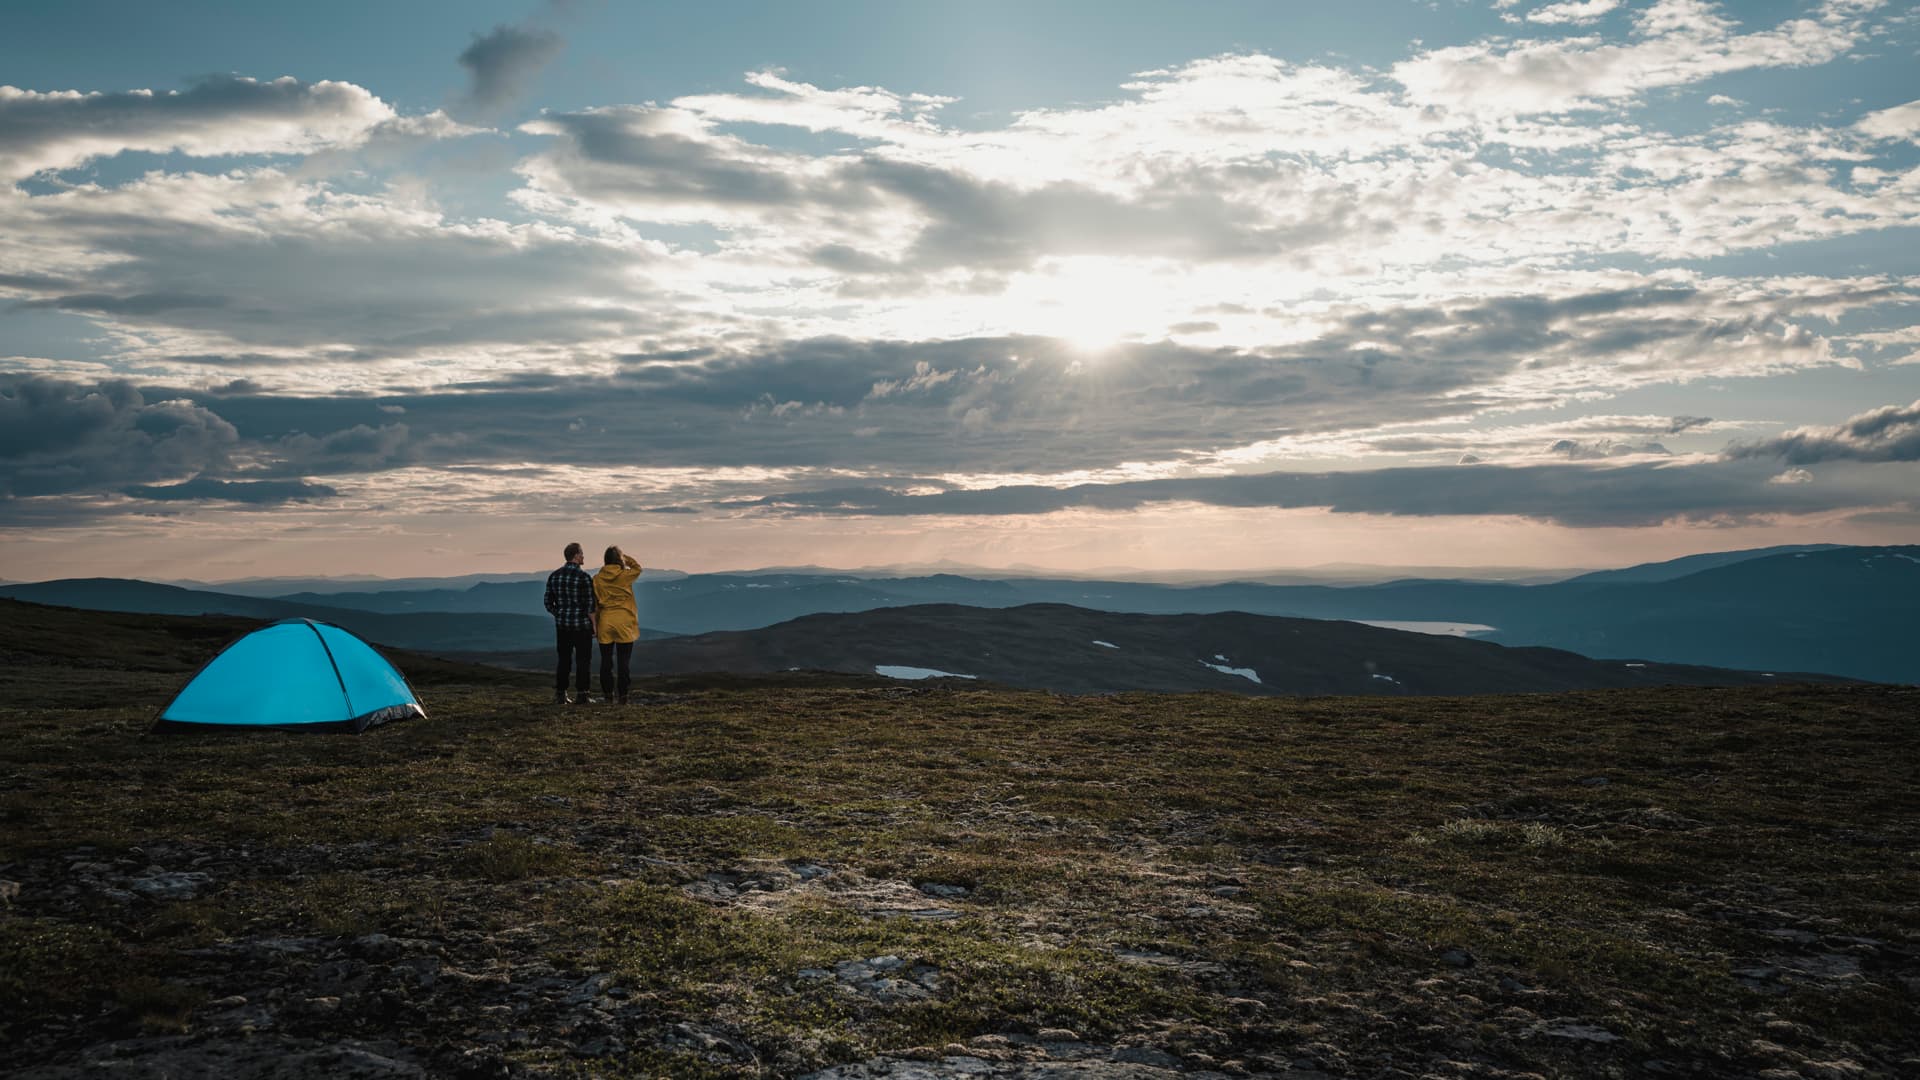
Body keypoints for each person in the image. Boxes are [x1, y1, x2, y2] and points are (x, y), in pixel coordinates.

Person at [543, 541, 596, 705]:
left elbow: (547, 602)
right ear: (576, 555)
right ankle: (582, 695)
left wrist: (559, 614)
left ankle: (561, 694)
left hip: (563, 626)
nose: (583, 556)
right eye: (581, 553)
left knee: (564, 659)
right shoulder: (584, 577)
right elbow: (590, 606)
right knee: (583, 660)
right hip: (581, 626)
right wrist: (594, 625)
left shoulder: (555, 575)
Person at [592, 545, 644, 705]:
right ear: (618, 560)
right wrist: (624, 558)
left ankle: (608, 695)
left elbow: (596, 604)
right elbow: (638, 568)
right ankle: (623, 696)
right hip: (624, 623)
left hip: (606, 622)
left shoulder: (597, 579)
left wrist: (595, 625)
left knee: (606, 661)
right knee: (624, 661)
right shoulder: (625, 575)